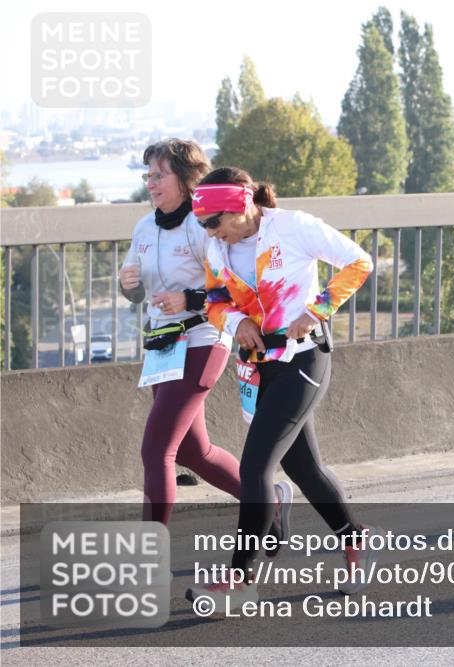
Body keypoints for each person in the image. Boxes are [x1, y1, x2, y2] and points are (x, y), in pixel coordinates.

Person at [184, 167, 383, 608]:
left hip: (304, 359)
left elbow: (359, 262)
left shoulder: (293, 227)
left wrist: (317, 310)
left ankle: (240, 580)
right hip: (258, 367)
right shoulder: (217, 246)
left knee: (255, 468)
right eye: (202, 223)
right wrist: (236, 322)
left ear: (241, 204)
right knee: (305, 469)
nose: (209, 231)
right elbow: (214, 300)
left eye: (214, 221)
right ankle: (357, 539)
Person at [119, 140, 293, 540]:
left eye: (159, 175)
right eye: (148, 175)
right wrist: (127, 285)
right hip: (163, 346)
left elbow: (233, 289)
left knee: (156, 451)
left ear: (185, 179)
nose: (151, 183)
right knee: (191, 451)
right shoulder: (144, 227)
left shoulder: (206, 226)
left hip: (203, 339)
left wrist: (189, 299)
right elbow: (136, 291)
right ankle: (268, 502)